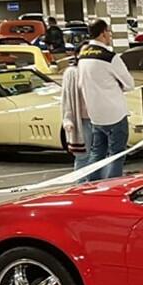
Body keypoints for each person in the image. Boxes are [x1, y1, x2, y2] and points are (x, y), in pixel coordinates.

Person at [76, 19, 134, 181]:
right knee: (117, 154)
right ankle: (112, 186)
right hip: (115, 113)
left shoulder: (83, 56)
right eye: (108, 32)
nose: (109, 35)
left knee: (97, 152)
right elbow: (129, 84)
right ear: (103, 33)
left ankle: (93, 186)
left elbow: (81, 84)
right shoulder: (110, 57)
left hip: (95, 115)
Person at [60, 43, 92, 181]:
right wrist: (68, 119)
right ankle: (81, 186)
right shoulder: (72, 73)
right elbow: (66, 97)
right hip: (83, 121)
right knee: (83, 156)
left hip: (99, 119)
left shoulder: (96, 69)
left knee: (100, 155)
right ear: (77, 54)